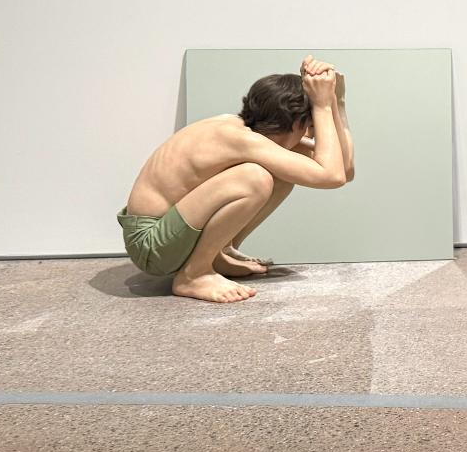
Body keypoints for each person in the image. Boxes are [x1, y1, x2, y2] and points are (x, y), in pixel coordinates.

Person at [117, 55, 355, 303]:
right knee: (255, 178)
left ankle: (218, 254)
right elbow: (332, 176)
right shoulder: (238, 139)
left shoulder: (254, 137)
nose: (310, 133)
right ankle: (193, 275)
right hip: (150, 245)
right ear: (297, 124)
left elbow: (344, 169)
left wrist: (336, 101)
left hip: (168, 236)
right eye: (309, 125)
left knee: (283, 174)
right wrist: (322, 106)